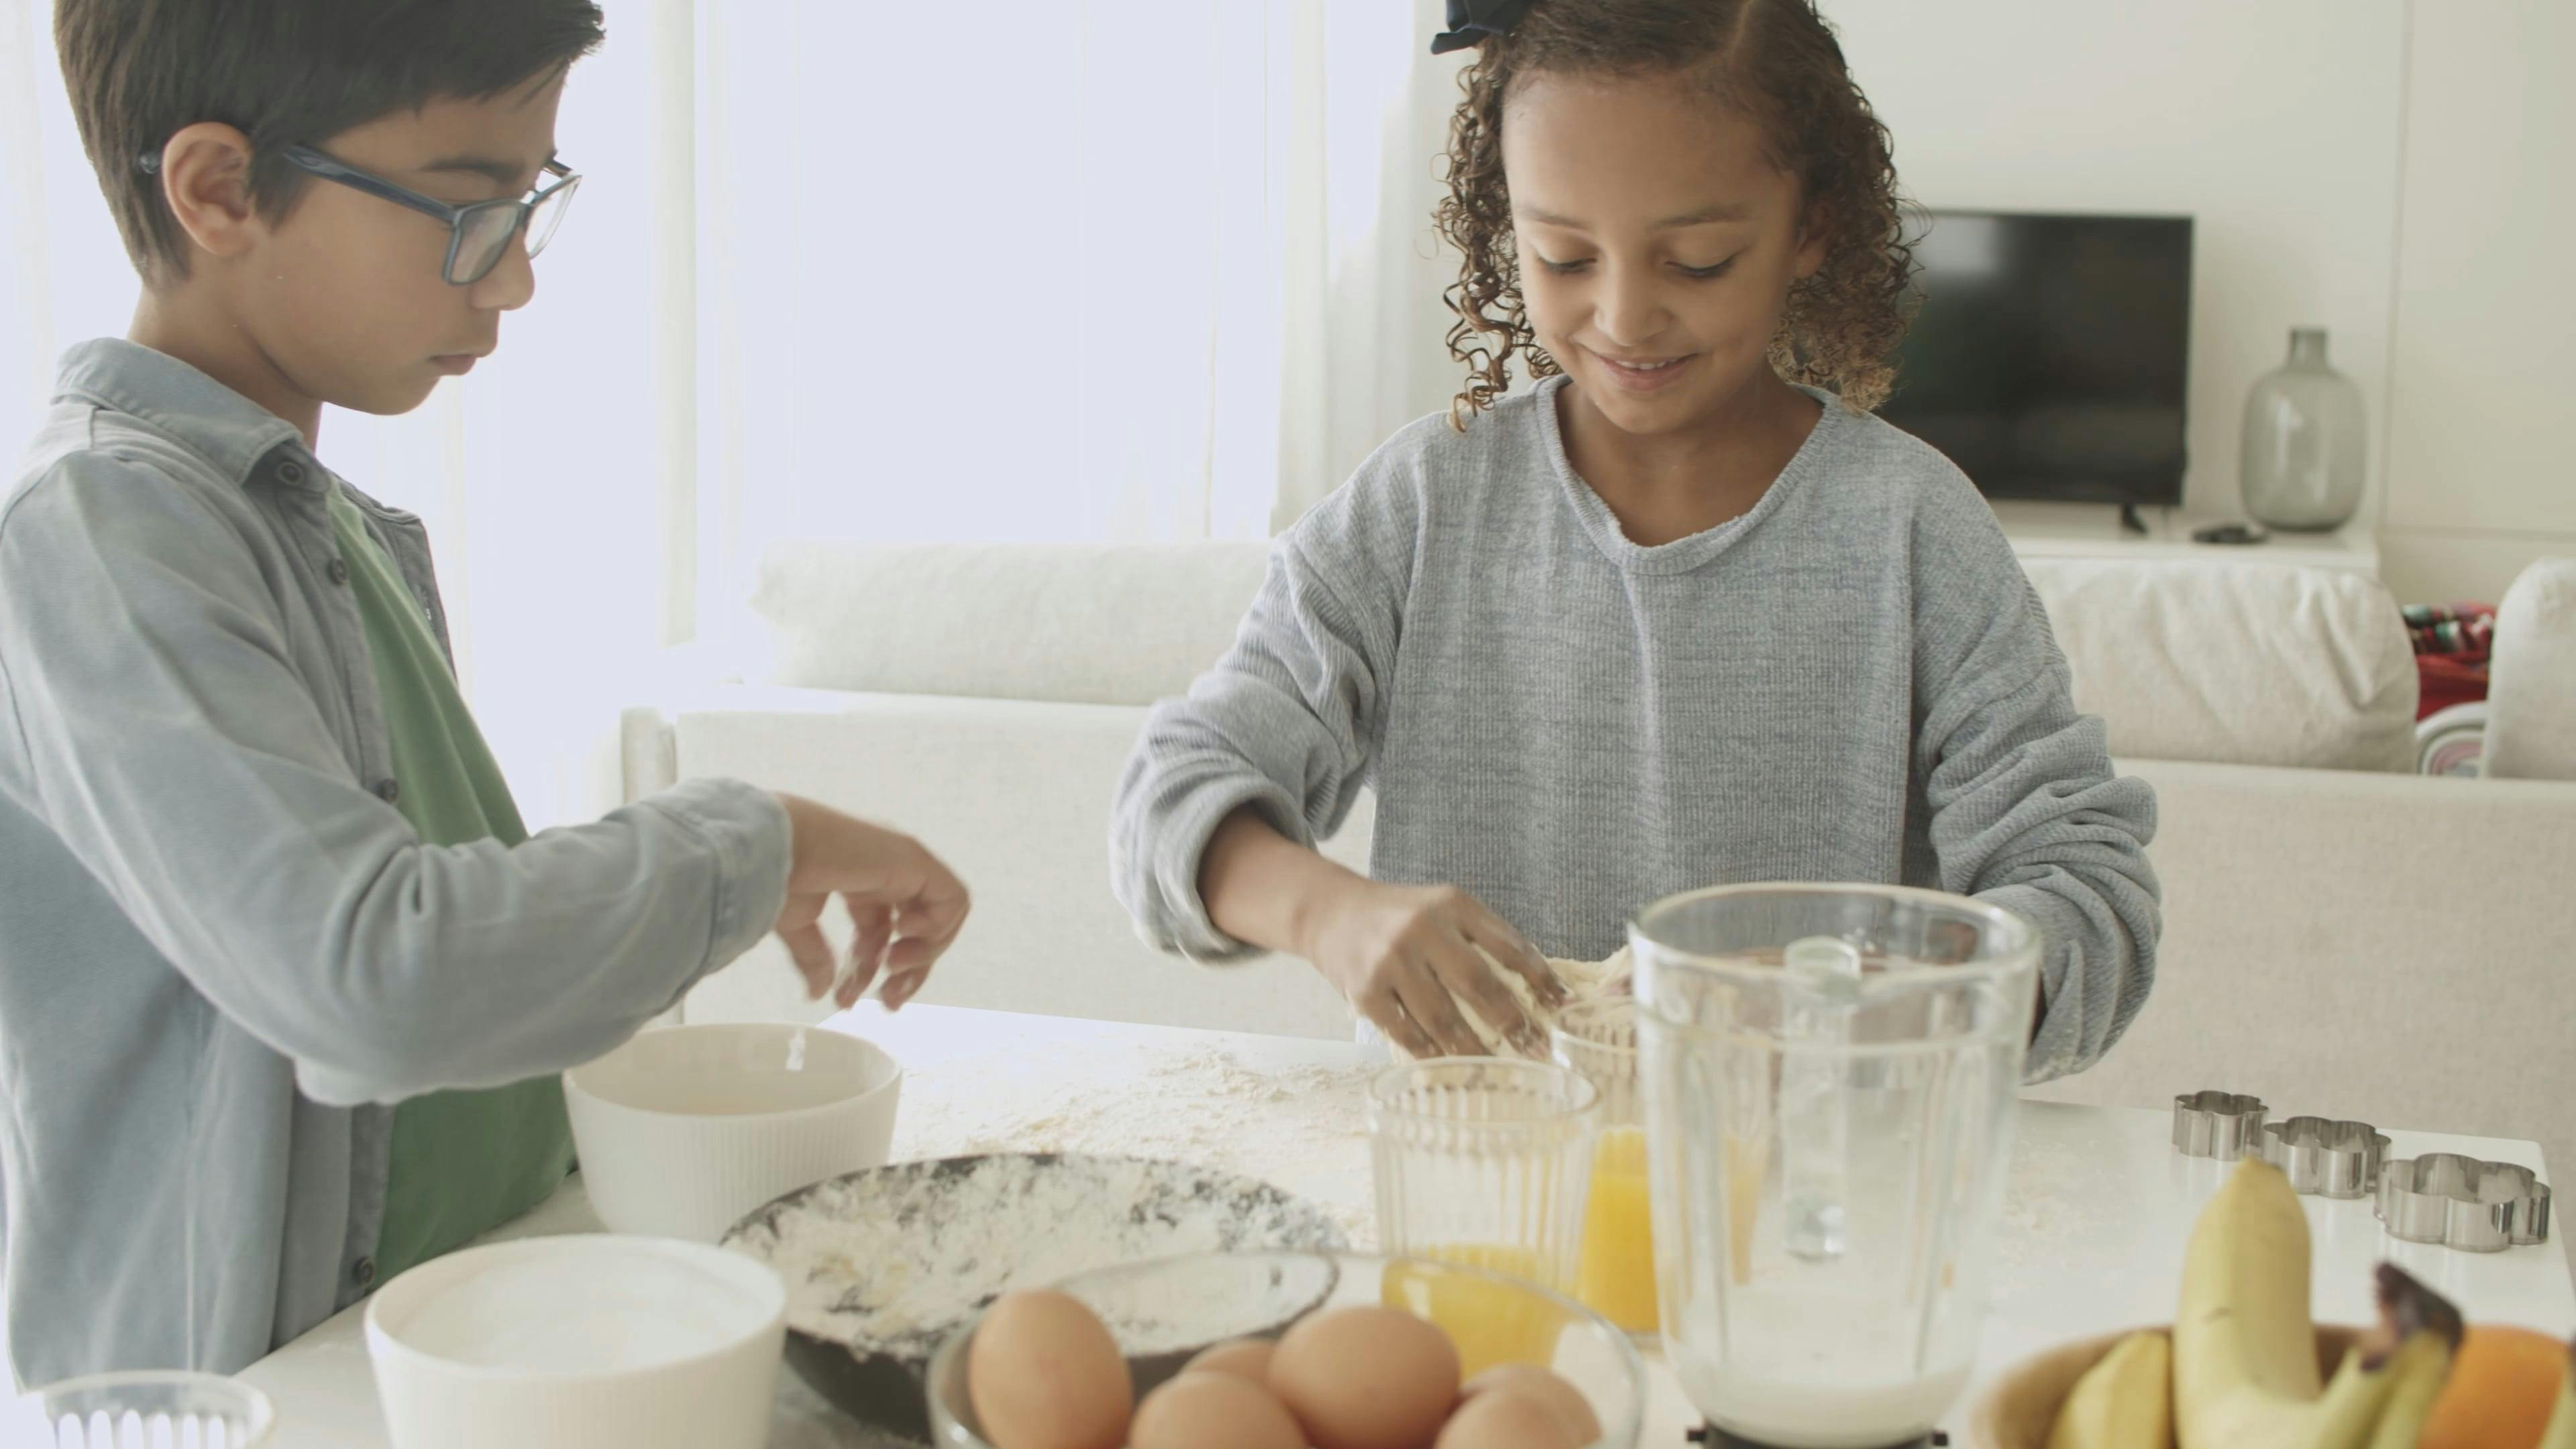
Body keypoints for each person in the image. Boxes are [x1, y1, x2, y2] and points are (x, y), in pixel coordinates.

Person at [0, 0, 968, 1386]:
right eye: (467, 207)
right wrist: (759, 840)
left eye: (531, 202)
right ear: (219, 190)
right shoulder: (100, 534)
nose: (513, 281)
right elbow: (371, 978)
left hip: (441, 1342)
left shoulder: (316, 529)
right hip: (261, 1396)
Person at [1112, 0, 2159, 1071]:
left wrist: (1897, 1000)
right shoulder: (1424, 506)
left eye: (1696, 261)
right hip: (1478, 1182)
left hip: (1796, 1193)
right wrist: (1327, 913)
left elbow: (2088, 895)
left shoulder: (1911, 530)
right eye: (1564, 256)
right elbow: (1172, 794)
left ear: (1813, 227)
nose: (1623, 317)